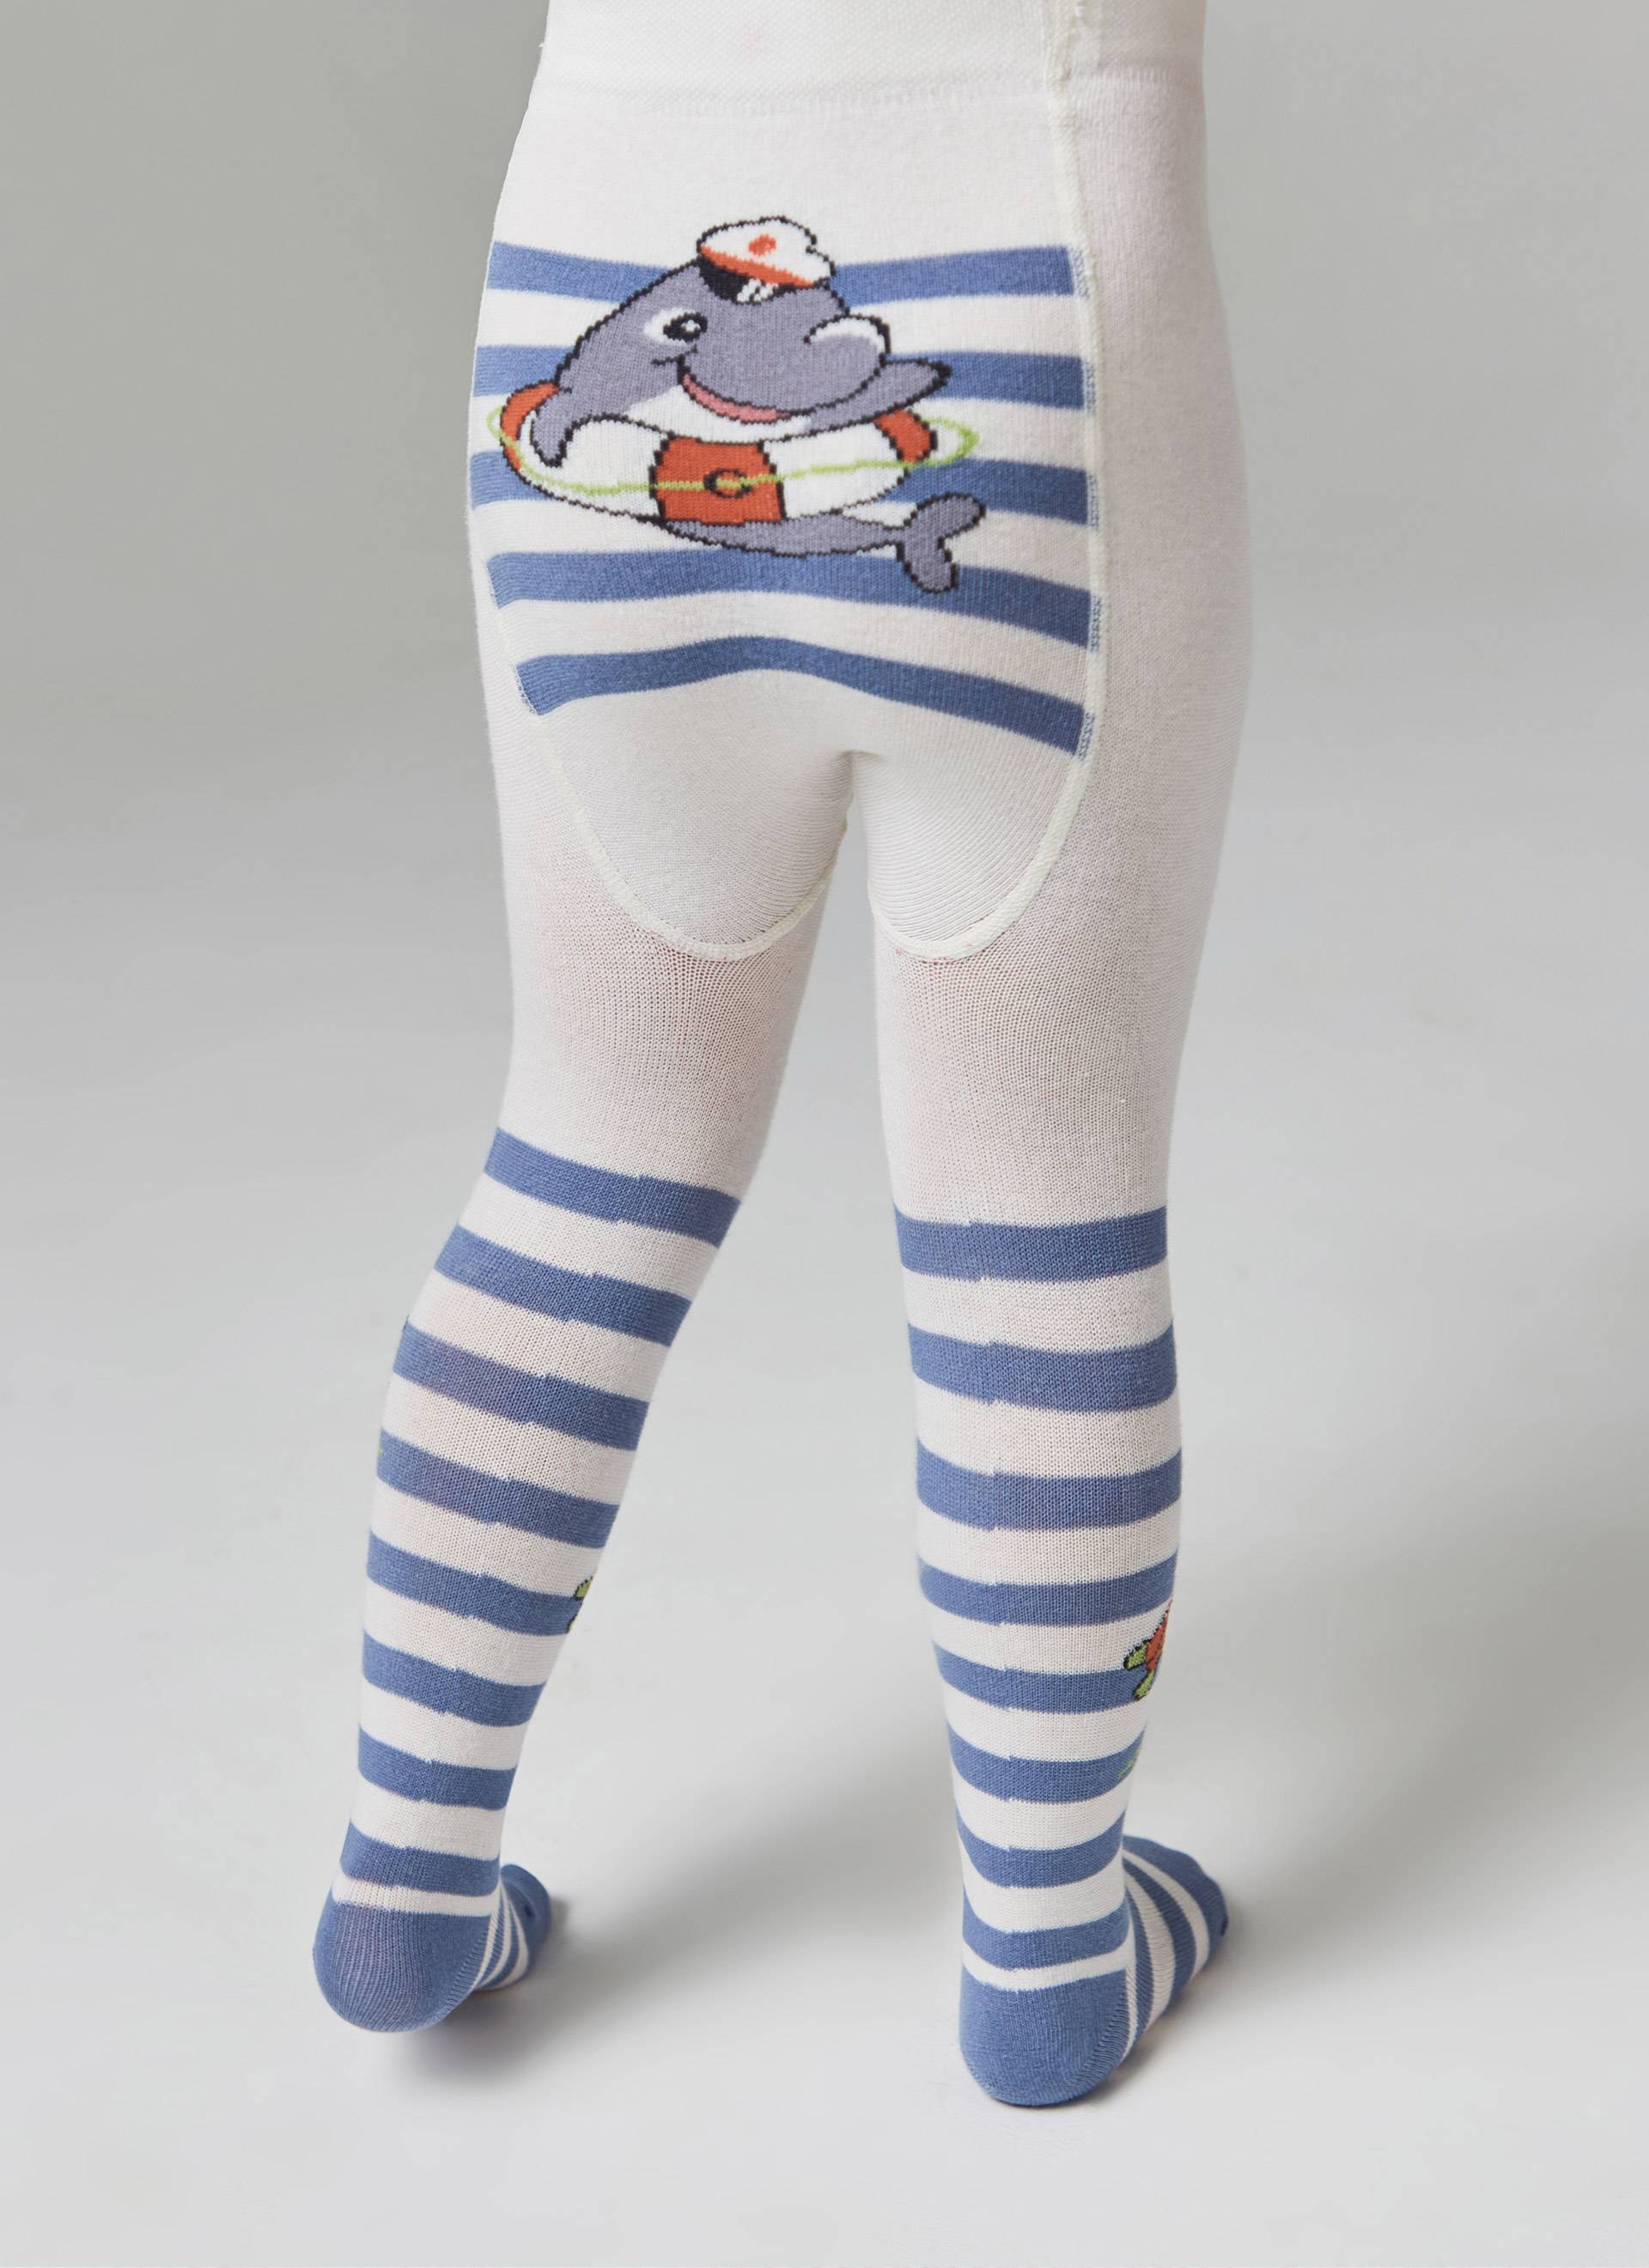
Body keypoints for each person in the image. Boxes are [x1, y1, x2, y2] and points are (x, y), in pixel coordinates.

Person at [313, 0, 1249, 2108]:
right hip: (1040, 256)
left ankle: (404, 1872)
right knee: (1041, 1177)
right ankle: (1051, 1950)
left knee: (590, 1133)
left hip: (584, 264)